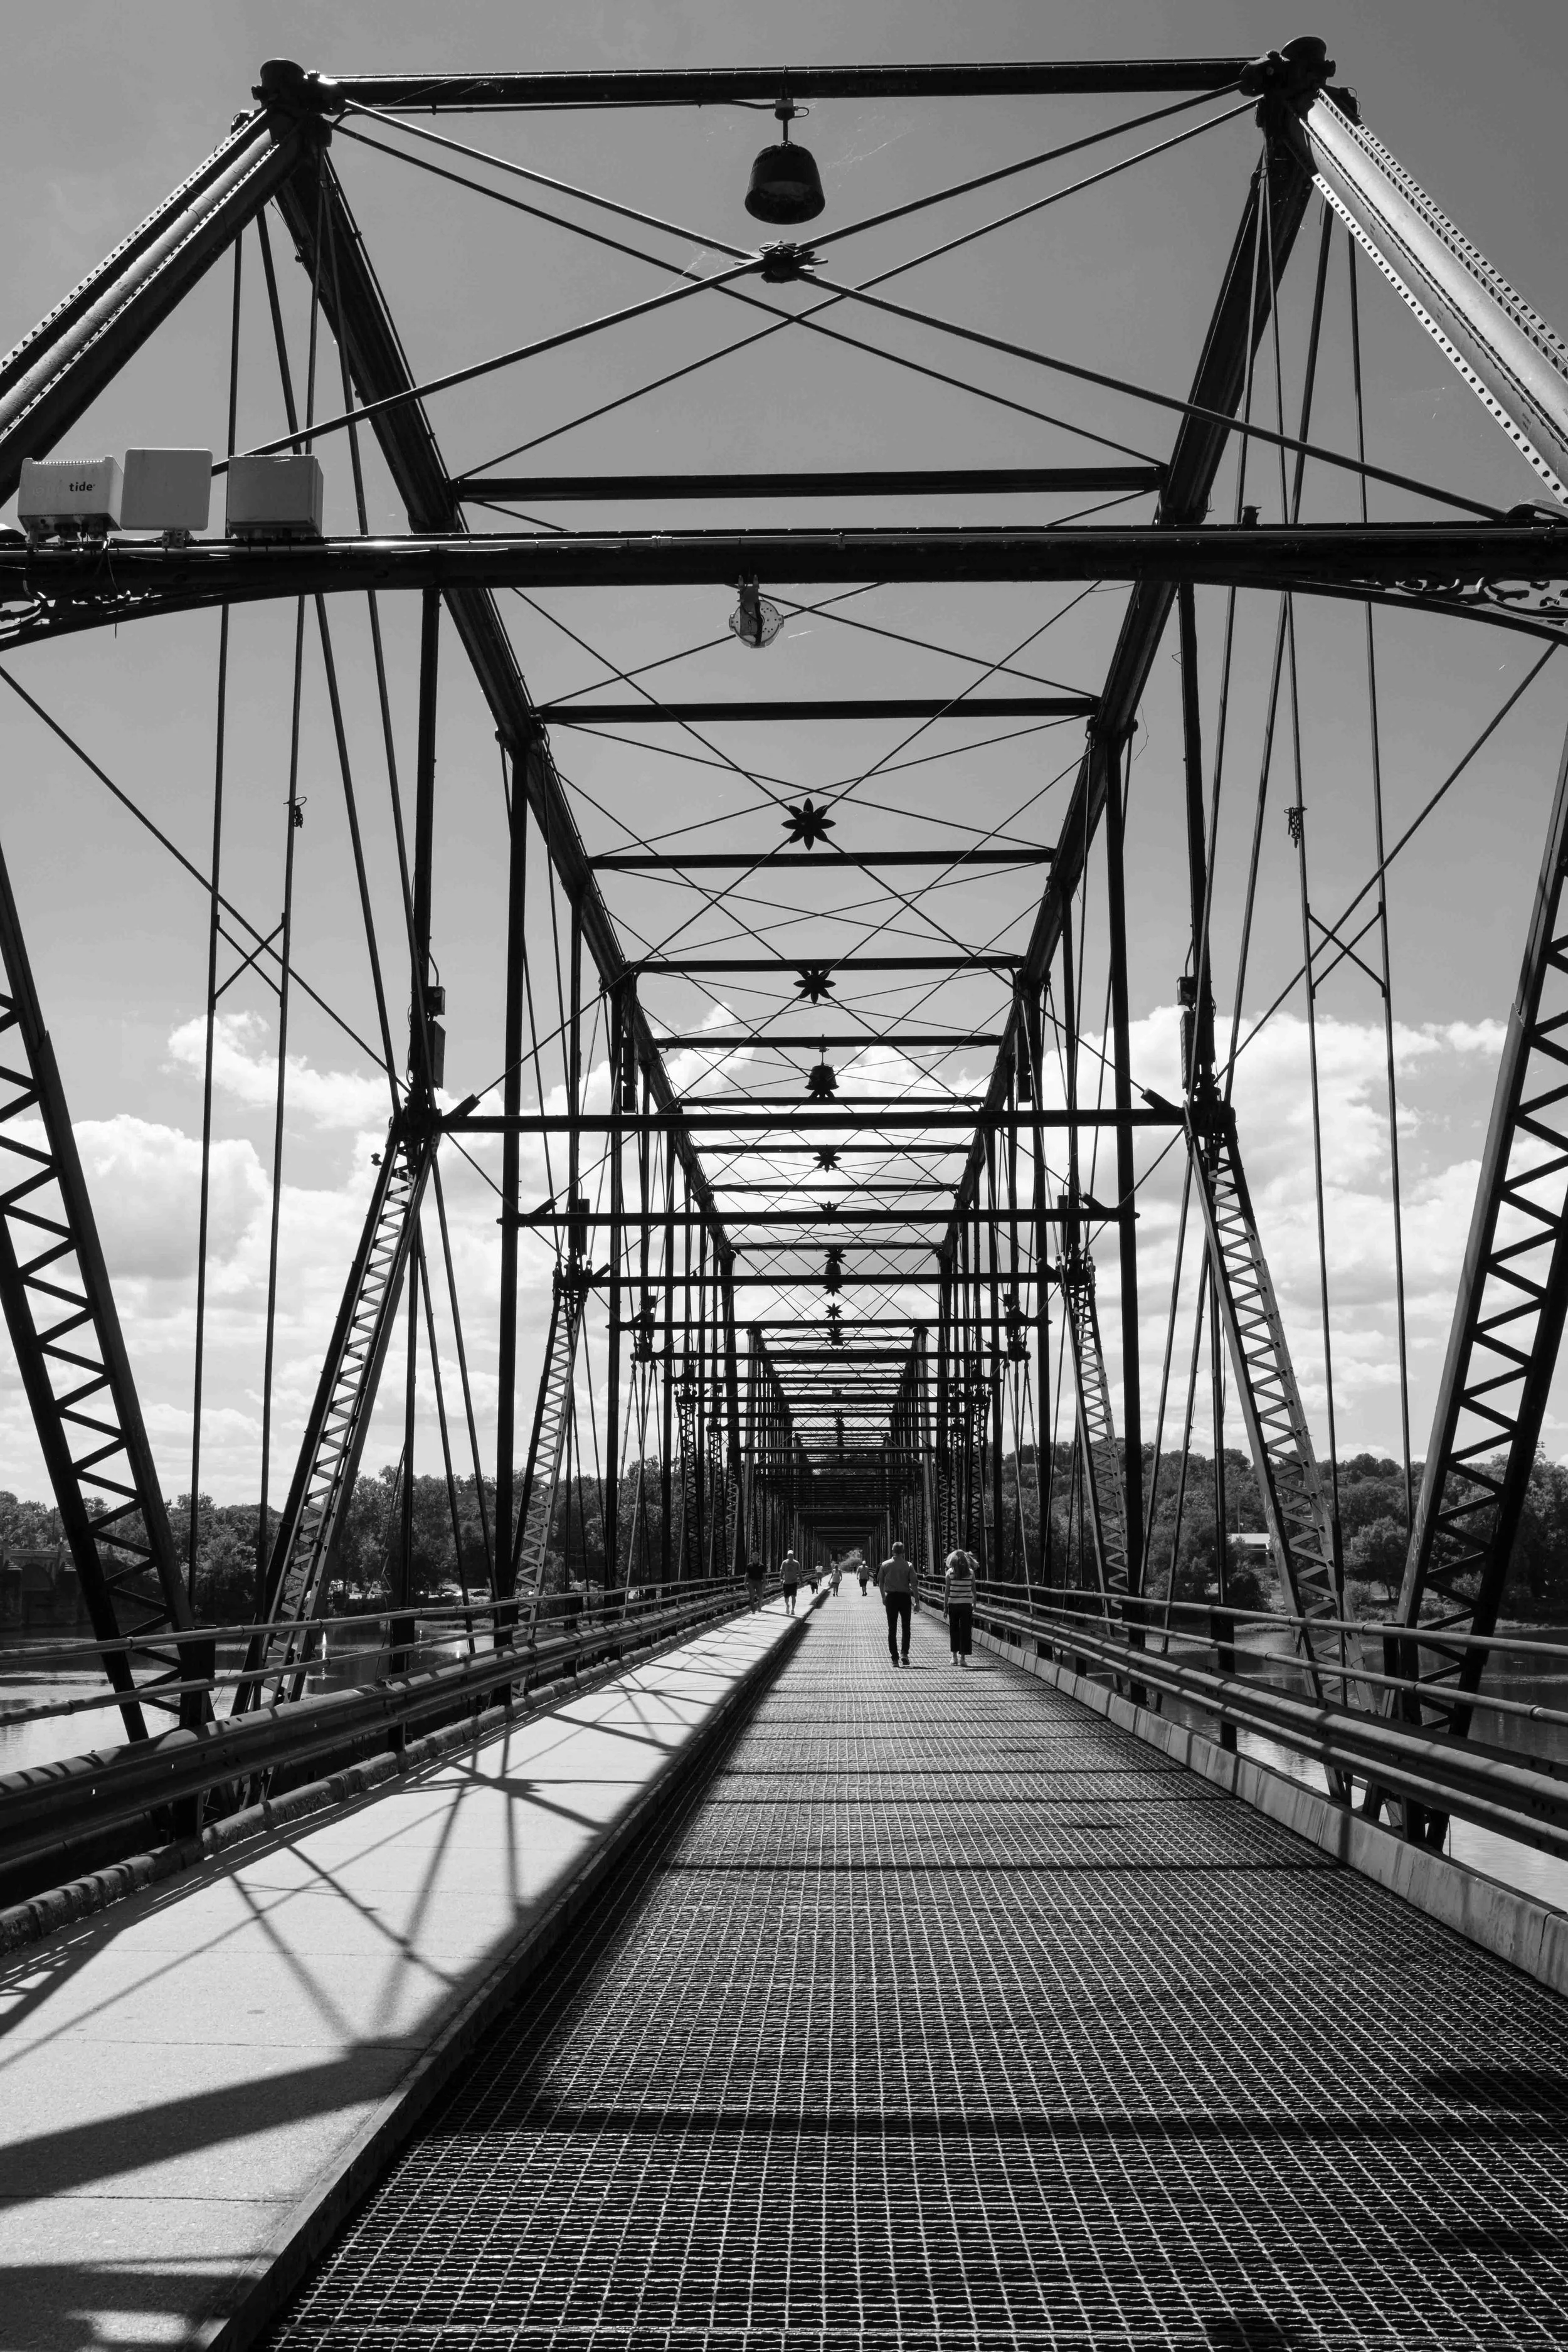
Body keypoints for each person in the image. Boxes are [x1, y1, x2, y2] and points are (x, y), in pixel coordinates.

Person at [877, 1539, 914, 1666]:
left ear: (892, 1551)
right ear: (903, 1551)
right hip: (905, 1598)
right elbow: (914, 1584)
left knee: (892, 1628)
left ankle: (894, 1659)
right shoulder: (909, 1565)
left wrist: (883, 1597)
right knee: (906, 1627)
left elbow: (881, 1582)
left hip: (891, 1598)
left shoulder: (885, 1565)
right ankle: (904, 1653)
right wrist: (917, 1602)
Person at [944, 1548, 977, 1668]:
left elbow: (947, 1591)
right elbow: (974, 1590)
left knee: (954, 1630)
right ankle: (963, 1658)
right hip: (966, 1605)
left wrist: (945, 1607)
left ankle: (954, 1657)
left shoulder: (950, 1573)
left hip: (953, 1605)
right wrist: (975, 1603)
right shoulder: (971, 1573)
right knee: (966, 1631)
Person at [780, 1550, 800, 1614]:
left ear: (793, 1555)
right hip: (786, 1582)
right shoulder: (784, 1563)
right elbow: (781, 1572)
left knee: (793, 1596)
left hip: (794, 1582)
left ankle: (793, 1610)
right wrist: (781, 1579)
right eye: (789, 1555)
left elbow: (800, 1572)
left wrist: (801, 1581)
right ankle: (787, 1606)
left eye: (791, 1555)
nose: (790, 1556)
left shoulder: (796, 1563)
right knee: (786, 1597)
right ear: (787, 1555)